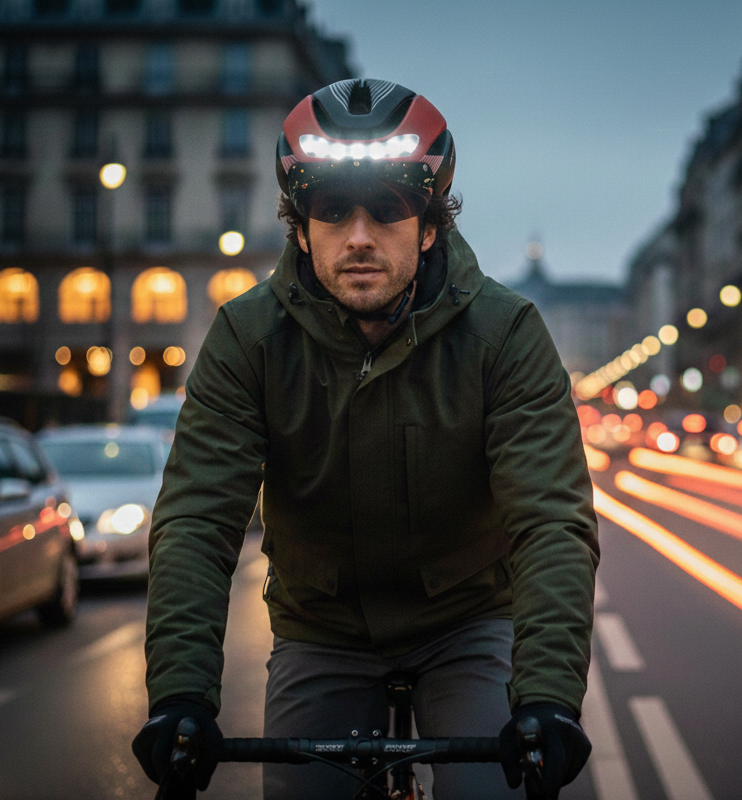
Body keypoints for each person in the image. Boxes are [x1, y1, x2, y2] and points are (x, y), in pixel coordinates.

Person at [132, 78, 599, 799]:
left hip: (469, 620)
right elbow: (197, 520)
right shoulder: (246, 338)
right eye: (331, 211)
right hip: (322, 630)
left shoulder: (506, 334)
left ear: (429, 226)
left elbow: (551, 522)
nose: (357, 236)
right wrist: (179, 696)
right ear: (300, 227)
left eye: (386, 209)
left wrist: (548, 699)